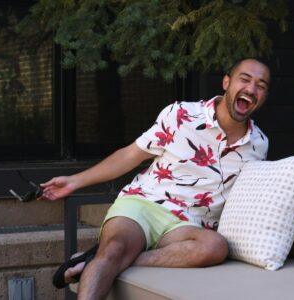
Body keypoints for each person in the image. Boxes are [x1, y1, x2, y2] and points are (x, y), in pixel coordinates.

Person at [41, 58, 271, 300]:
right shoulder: (181, 114)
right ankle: (109, 256)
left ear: (264, 96)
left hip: (189, 227)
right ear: (227, 82)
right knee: (115, 248)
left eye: (261, 85)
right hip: (145, 204)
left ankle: (95, 259)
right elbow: (131, 154)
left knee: (216, 247)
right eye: (244, 79)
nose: (251, 89)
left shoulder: (258, 145)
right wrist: (74, 181)